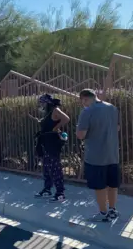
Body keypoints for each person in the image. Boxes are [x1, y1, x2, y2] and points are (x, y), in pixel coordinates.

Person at [76, 89, 120, 221]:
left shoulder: (87, 111)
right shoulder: (112, 108)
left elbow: (80, 135)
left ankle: (103, 213)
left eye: (82, 101)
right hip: (113, 154)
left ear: (85, 99)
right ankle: (113, 210)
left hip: (96, 156)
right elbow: (117, 127)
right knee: (113, 185)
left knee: (100, 186)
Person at [31, 94, 70, 201]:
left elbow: (66, 118)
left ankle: (60, 193)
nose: (41, 105)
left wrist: (56, 127)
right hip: (46, 143)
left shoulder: (55, 110)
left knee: (55, 168)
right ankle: (47, 189)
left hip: (53, 143)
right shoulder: (48, 113)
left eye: (43, 103)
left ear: (48, 103)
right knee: (47, 168)